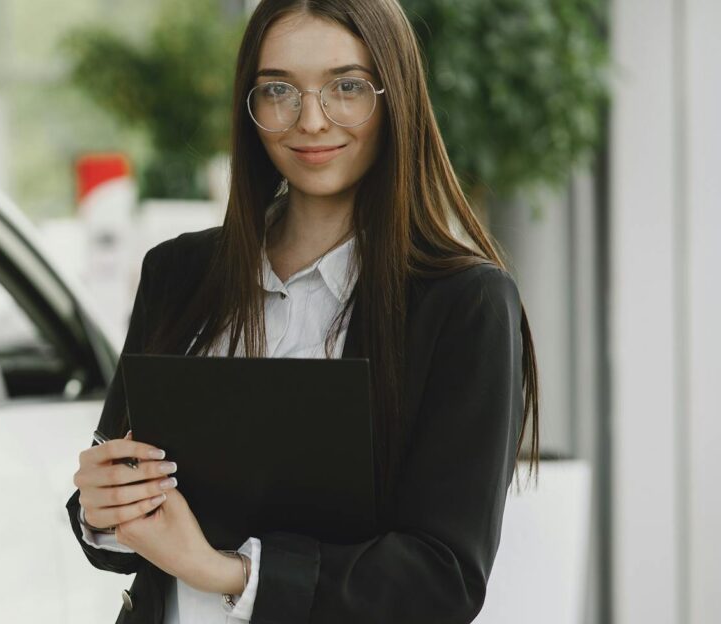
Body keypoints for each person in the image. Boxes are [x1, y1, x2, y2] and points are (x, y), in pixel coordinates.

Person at [65, 0, 540, 622]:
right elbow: (123, 498)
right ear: (249, 105)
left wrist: (223, 572)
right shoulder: (177, 274)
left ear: (393, 94)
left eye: (346, 87)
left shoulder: (464, 304)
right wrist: (101, 508)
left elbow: (442, 579)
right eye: (278, 90)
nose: (310, 120)